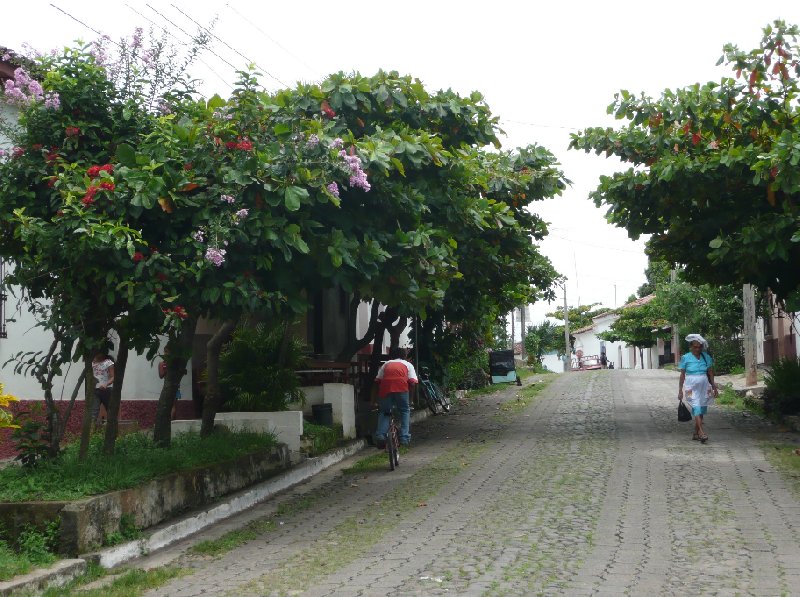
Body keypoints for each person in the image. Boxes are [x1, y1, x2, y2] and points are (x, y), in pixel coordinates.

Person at [373, 347, 418, 447]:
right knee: (405, 410)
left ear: (392, 355)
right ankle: (404, 437)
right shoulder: (408, 365)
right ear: (405, 356)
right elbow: (413, 383)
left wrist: (375, 400)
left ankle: (381, 435)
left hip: (385, 389)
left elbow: (377, 381)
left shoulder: (386, 364)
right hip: (401, 388)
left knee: (384, 412)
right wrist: (410, 401)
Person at [678, 334, 719, 443]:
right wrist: (680, 391)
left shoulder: (706, 357)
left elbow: (710, 372)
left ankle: (696, 433)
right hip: (690, 386)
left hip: (704, 386)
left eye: (699, 347)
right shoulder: (685, 358)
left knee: (701, 409)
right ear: (691, 347)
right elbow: (682, 375)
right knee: (696, 406)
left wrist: (714, 387)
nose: (697, 349)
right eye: (695, 347)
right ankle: (701, 432)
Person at [91, 352, 115, 425]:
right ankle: (91, 432)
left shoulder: (108, 362)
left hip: (106, 390)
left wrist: (106, 384)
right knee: (93, 413)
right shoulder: (92, 362)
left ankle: (111, 431)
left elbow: (113, 377)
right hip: (95, 390)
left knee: (110, 411)